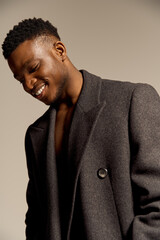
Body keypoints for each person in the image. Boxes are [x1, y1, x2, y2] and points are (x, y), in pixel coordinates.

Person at [2, 18, 160, 240]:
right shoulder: (36, 135)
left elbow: (157, 204)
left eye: (34, 68)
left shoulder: (132, 101)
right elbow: (37, 219)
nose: (29, 84)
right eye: (21, 79)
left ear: (60, 50)